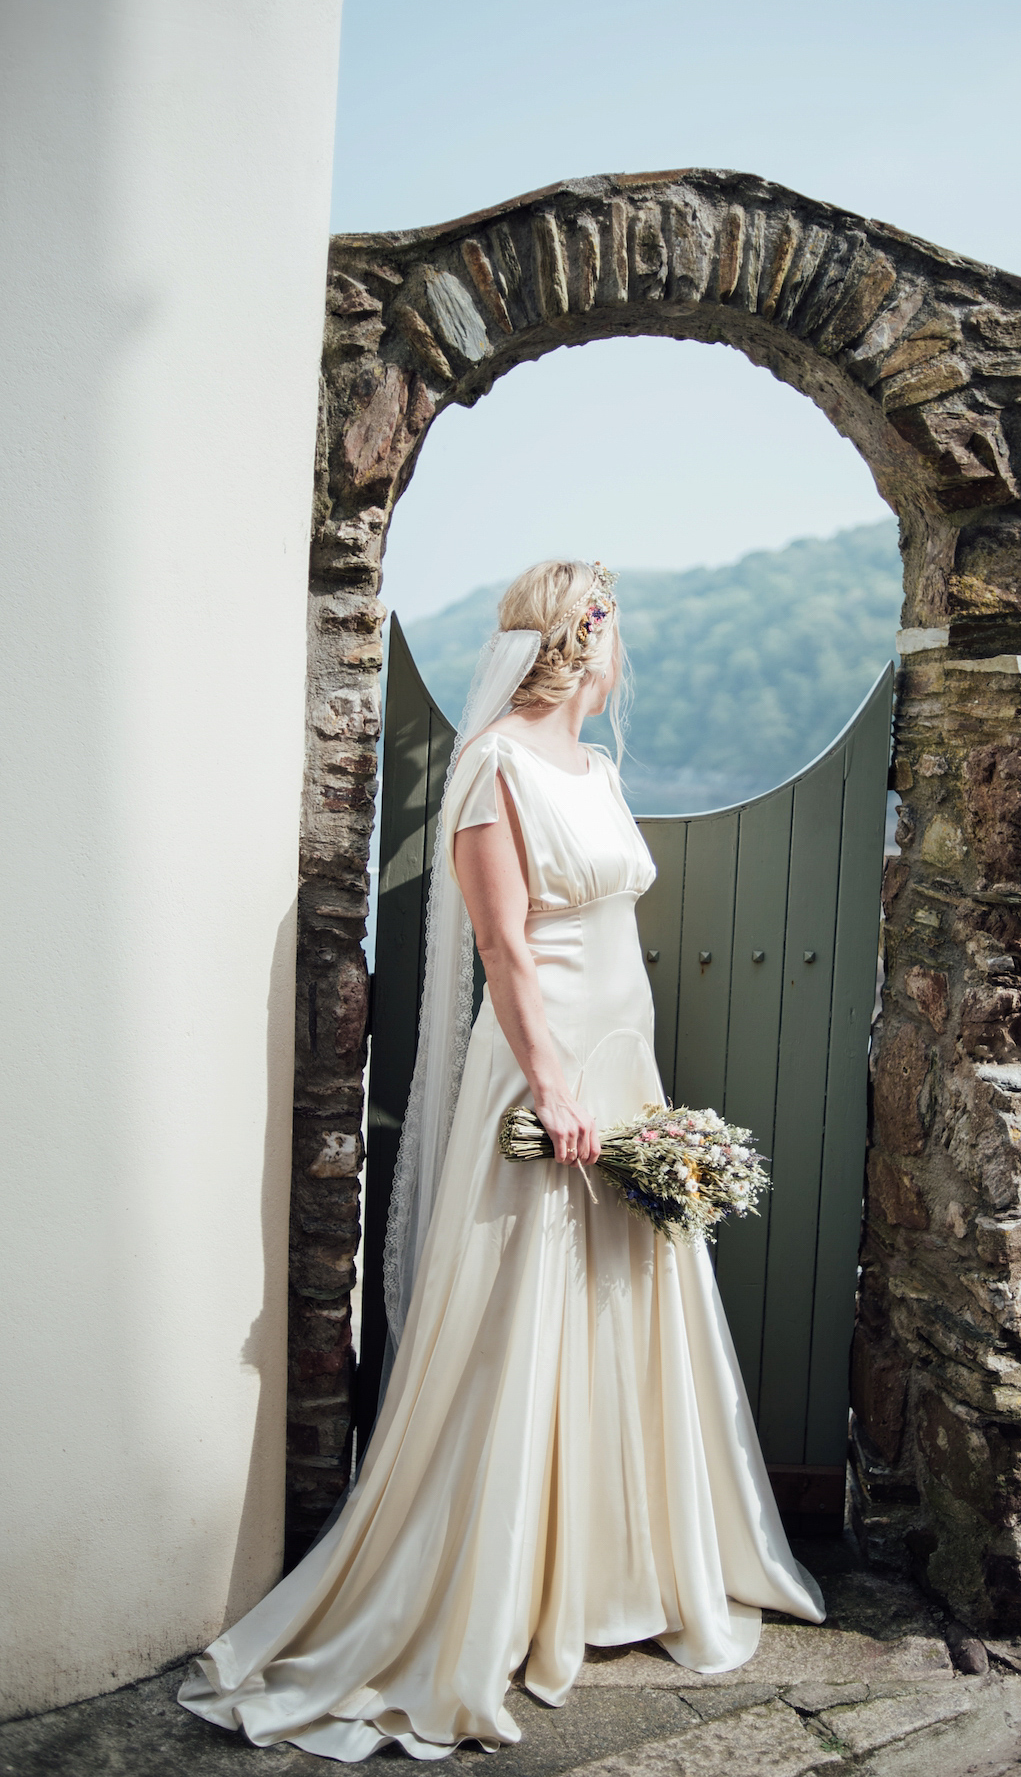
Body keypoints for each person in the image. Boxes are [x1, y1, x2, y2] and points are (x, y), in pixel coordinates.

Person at [179, 559, 824, 1762]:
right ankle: (489, 1584)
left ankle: (603, 1568)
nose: (617, 645)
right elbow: (505, 944)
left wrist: (617, 1084)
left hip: (624, 1057)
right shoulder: (496, 768)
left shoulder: (601, 769)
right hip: (547, 1068)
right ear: (584, 641)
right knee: (525, 1305)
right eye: (610, 624)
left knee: (620, 1296)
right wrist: (557, 1084)